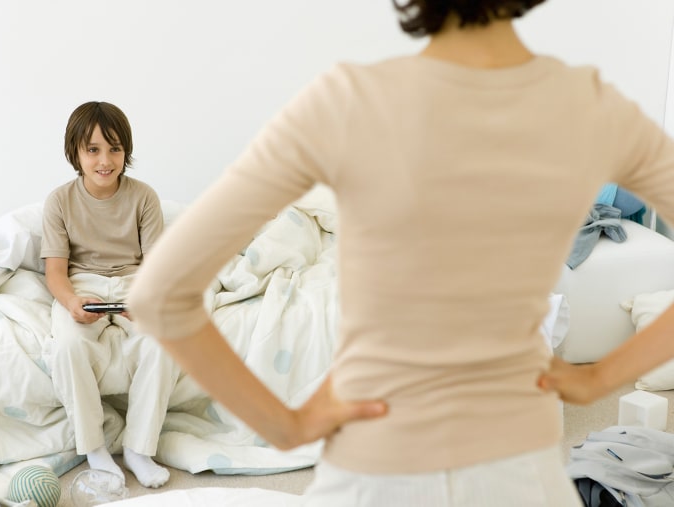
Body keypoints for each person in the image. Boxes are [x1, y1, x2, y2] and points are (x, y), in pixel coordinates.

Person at [128, 1, 674, 505]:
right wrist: (598, 379)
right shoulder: (588, 106)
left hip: (376, 468)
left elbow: (159, 294)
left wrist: (285, 427)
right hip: (519, 468)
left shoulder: (344, 101)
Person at [41, 101, 179, 489]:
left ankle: (139, 449)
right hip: (82, 283)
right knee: (68, 347)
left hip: (136, 281)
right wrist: (71, 302)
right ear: (76, 153)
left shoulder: (143, 197)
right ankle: (94, 448)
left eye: (115, 149)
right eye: (93, 149)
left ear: (126, 152)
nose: (105, 160)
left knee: (164, 342)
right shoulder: (59, 201)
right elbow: (55, 271)